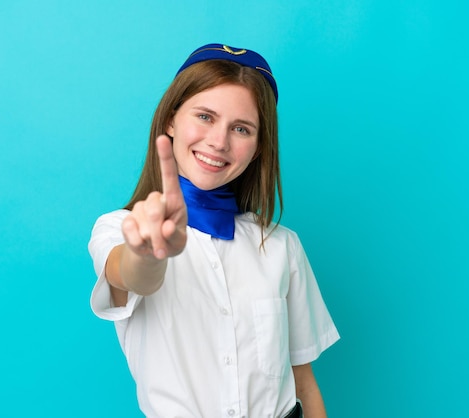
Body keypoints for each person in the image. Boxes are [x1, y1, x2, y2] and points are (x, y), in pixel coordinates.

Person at [89, 43, 340, 418]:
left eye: (241, 128)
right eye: (205, 116)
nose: (219, 141)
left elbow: (302, 379)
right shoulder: (119, 228)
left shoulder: (281, 246)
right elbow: (132, 275)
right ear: (171, 120)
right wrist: (149, 252)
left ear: (257, 148)